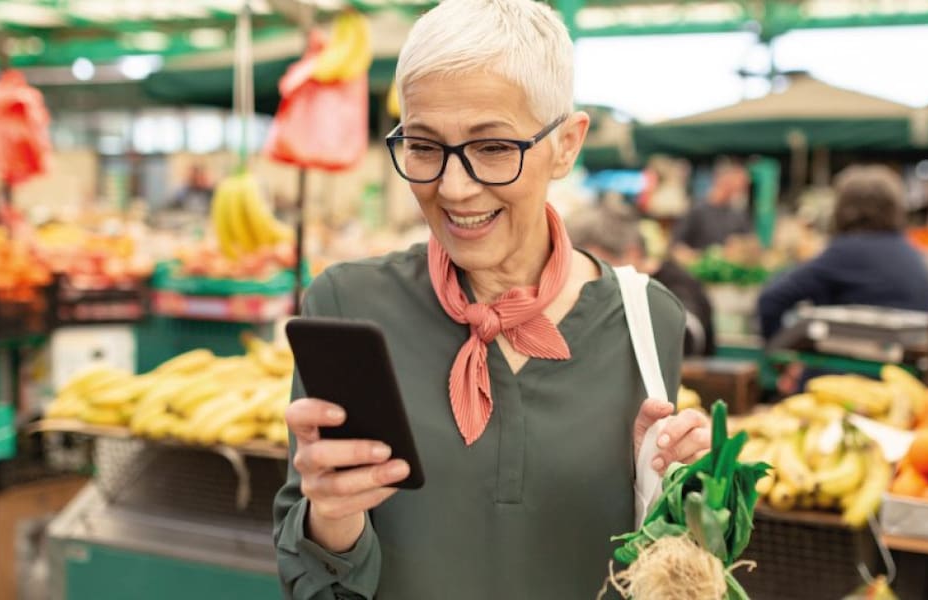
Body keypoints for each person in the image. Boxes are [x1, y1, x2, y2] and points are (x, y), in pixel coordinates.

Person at [273, 2, 712, 598]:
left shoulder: (647, 319)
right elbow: (314, 586)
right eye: (424, 147)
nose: (454, 187)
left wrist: (673, 493)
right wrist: (333, 516)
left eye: (494, 148)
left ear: (566, 144)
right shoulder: (348, 303)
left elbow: (653, 572)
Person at [757, 164, 928, 343]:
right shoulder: (911, 252)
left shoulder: (848, 252)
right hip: (900, 366)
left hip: (850, 365)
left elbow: (771, 299)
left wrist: (780, 356)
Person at [567, 203, 716, 356]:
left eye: (594, 264)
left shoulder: (678, 285)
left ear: (633, 255)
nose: (584, 274)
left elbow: (686, 338)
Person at [672, 161, 753, 251]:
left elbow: (750, 241)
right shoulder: (697, 210)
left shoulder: (738, 214)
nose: (741, 186)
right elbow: (677, 242)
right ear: (722, 179)